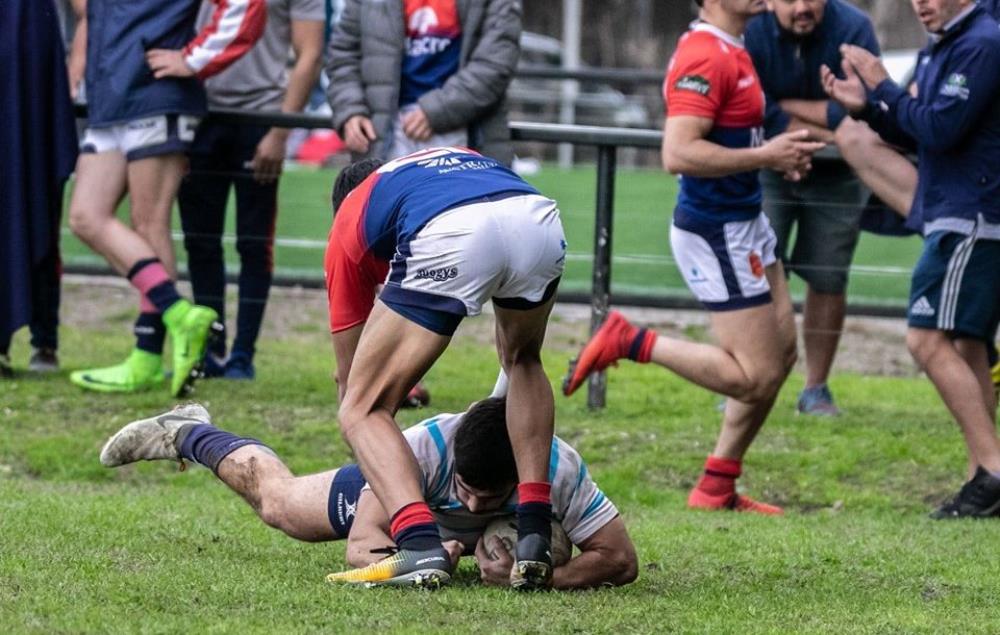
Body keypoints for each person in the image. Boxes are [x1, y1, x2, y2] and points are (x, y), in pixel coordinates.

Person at [564, 0, 824, 515]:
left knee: (782, 356)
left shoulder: (735, 46)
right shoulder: (705, 55)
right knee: (754, 376)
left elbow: (738, 135)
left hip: (747, 221)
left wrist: (777, 155)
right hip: (717, 231)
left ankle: (716, 486)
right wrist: (765, 156)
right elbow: (678, 153)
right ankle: (631, 340)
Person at [322, 147, 566, 589]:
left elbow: (350, 376)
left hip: (454, 230)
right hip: (536, 218)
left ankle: (418, 544)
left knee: (361, 409)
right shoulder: (429, 168)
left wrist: (377, 466)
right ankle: (534, 533)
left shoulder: (348, 222)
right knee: (523, 359)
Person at [97, 399, 638, 589]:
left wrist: (541, 578)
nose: (474, 507)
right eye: (466, 491)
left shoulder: (557, 468)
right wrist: (423, 560)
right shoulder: (418, 451)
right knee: (280, 505)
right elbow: (361, 548)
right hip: (409, 508)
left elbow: (620, 560)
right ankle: (188, 431)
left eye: (490, 499)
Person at [822, 0, 1000, 517]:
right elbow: (920, 132)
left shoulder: (982, 43)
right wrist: (867, 108)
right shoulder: (949, 42)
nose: (921, 3)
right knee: (967, 344)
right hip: (956, 212)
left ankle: (992, 470)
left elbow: (941, 129)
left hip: (970, 217)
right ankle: (980, 476)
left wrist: (883, 84)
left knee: (924, 338)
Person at [66, 0, 265, 397]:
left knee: (149, 223)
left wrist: (192, 59)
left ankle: (147, 355)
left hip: (155, 95)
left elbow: (246, 5)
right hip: (113, 97)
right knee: (86, 216)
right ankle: (178, 314)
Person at [744, 0, 880, 416]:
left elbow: (862, 106)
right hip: (767, 163)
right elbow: (752, 104)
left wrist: (787, 107)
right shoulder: (751, 28)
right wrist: (829, 130)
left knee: (828, 275)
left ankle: (815, 388)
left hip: (838, 173)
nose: (802, 7)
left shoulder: (854, 27)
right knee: (756, 268)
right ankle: (750, 377)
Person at [178, 0, 325, 380]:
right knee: (200, 241)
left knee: (254, 243)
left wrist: (279, 131)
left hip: (260, 117)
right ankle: (209, 350)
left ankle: (243, 355)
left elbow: (310, 53)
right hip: (197, 115)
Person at [325, 0, 521, 164]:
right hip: (381, 134)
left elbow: (497, 61)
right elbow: (343, 53)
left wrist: (438, 110)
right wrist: (351, 110)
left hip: (465, 130)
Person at [0, 0, 79, 377]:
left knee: (36, 204)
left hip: (29, 81)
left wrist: (74, 73)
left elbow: (88, 12)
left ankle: (44, 340)